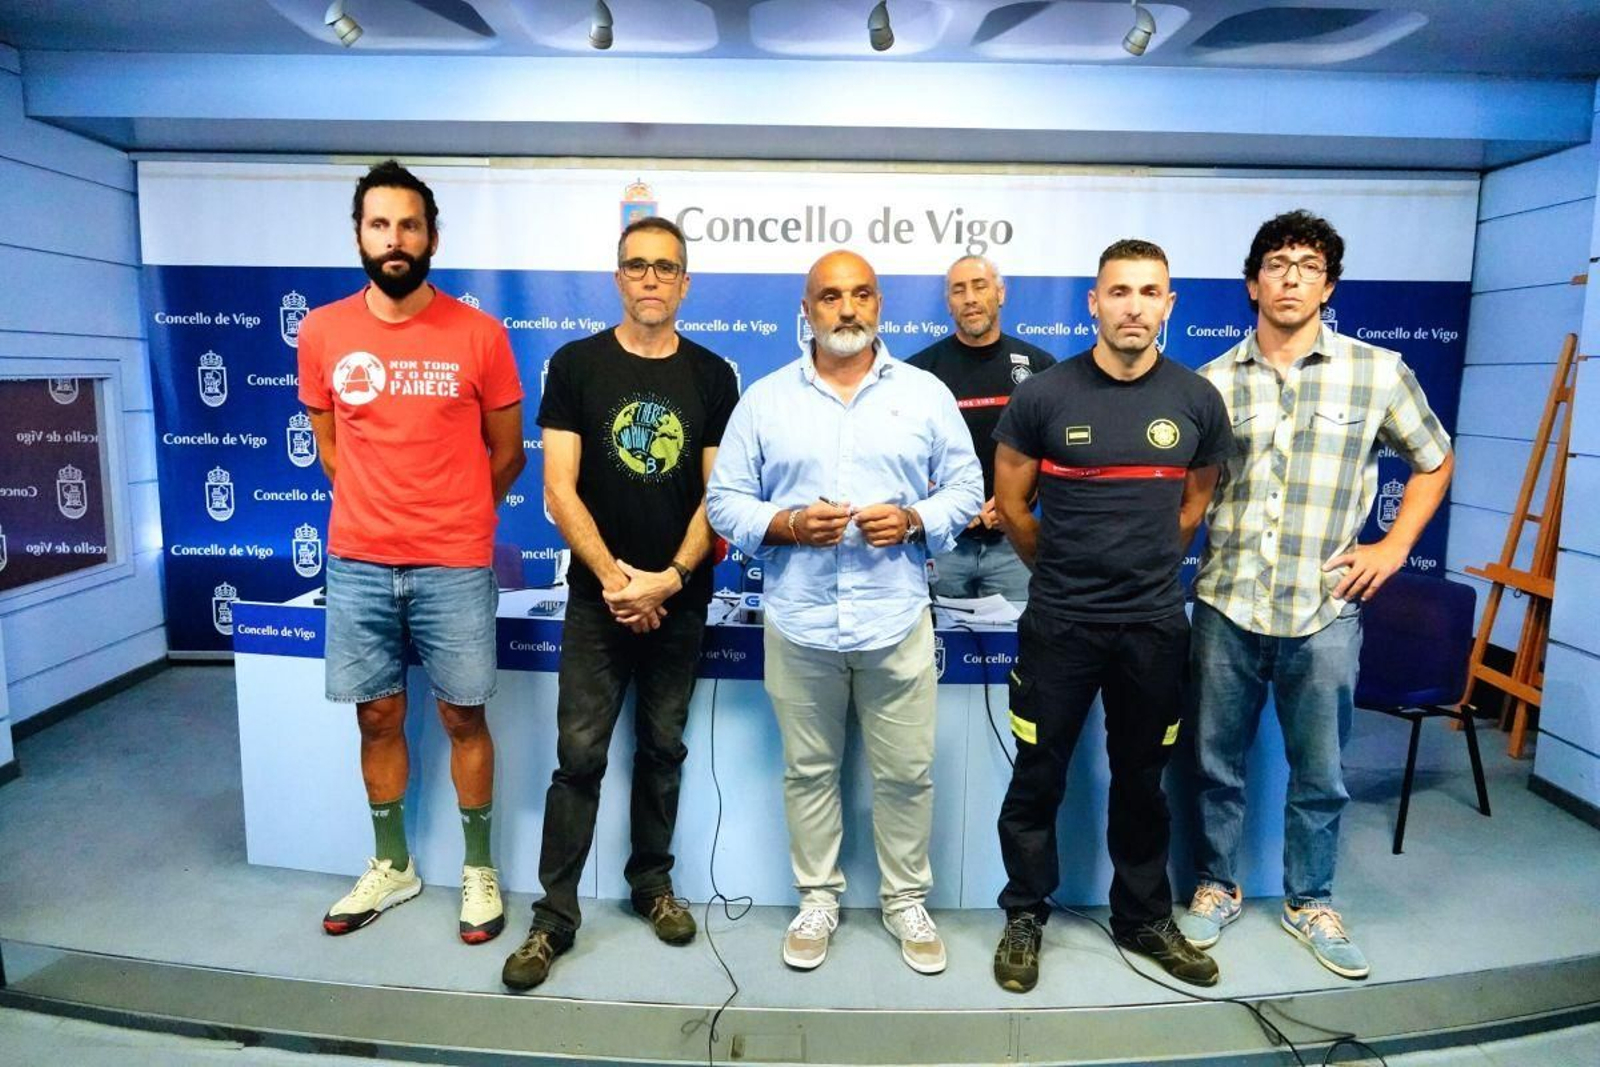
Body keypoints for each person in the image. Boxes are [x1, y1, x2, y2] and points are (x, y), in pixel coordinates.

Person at [1179, 210, 1454, 981]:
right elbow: (1193, 494)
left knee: (1322, 771)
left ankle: (1311, 899)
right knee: (1212, 762)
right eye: (1276, 262)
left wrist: (1395, 545)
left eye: (1308, 264)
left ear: (1328, 284)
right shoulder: (1211, 383)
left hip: (1324, 609)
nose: (1291, 275)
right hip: (1227, 603)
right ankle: (1215, 883)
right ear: (1251, 282)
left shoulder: (1377, 371)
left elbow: (1434, 458)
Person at [706, 250, 982, 975]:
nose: (847, 309)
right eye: (831, 297)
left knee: (907, 773)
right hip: (798, 621)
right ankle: (819, 899)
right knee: (808, 771)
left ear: (880, 305)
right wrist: (789, 524)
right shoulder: (765, 399)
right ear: (808, 308)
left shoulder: (924, 393)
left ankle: (903, 901)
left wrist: (916, 518)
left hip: (895, 618)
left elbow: (965, 487)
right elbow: (724, 500)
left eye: (861, 295)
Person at [501, 216, 739, 992]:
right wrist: (616, 580)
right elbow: (557, 489)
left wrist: (667, 578)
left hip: (680, 598)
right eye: (636, 266)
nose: (650, 279)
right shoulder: (575, 364)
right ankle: (554, 918)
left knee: (663, 750)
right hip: (599, 602)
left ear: (684, 283)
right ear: (617, 277)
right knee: (580, 759)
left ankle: (651, 884)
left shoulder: (712, 375)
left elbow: (719, 495)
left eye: (665, 268)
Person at [989, 239, 1230, 993]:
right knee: (1037, 775)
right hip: (1059, 623)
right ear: (1093, 303)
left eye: (1148, 291)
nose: (1133, 305)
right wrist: (1062, 576)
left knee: (1142, 780)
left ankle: (1142, 917)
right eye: (1118, 291)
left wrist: (1144, 571)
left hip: (1154, 628)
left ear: (1168, 304)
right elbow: (1014, 508)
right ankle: (1025, 913)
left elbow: (1193, 503)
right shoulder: (1044, 397)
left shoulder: (1196, 399)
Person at [299, 160, 526, 944]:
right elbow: (332, 448)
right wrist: (381, 509)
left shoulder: (479, 334)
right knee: (377, 714)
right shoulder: (323, 331)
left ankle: (477, 870)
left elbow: (508, 454)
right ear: (358, 233)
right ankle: (392, 864)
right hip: (357, 561)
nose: (394, 240)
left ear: (432, 235)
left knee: (464, 713)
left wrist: (456, 516)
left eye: (408, 225)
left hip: (454, 563)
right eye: (379, 224)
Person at [907, 256, 1055, 602]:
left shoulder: (1041, 369)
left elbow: (1055, 455)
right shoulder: (918, 375)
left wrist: (1011, 506)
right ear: (949, 303)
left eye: (980, 286)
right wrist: (955, 506)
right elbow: (907, 458)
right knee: (940, 647)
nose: (970, 298)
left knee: (1015, 650)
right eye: (959, 290)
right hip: (943, 543)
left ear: (1000, 293)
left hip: (1015, 544)